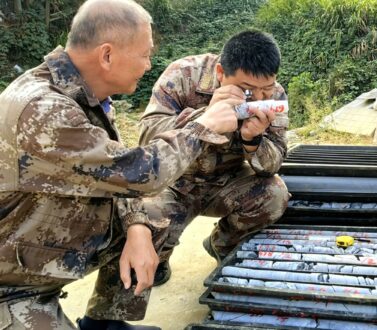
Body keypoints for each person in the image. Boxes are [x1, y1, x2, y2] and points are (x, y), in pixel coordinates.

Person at [0, 0, 238, 329]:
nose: (148, 64)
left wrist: (138, 227)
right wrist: (204, 126)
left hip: (35, 254)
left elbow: (115, 180)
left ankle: (106, 322)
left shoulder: (82, 96)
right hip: (10, 286)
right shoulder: (43, 109)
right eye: (145, 54)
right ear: (107, 55)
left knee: (153, 215)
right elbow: (139, 173)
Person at [138, 30, 289, 285]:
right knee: (143, 216)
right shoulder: (183, 74)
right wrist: (204, 117)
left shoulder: (274, 95)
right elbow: (147, 139)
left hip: (228, 181)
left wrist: (253, 142)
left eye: (266, 89)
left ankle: (222, 243)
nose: (259, 98)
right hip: (175, 182)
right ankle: (160, 257)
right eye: (247, 90)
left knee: (275, 194)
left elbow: (272, 164)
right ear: (221, 73)